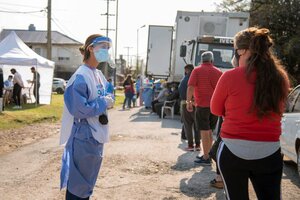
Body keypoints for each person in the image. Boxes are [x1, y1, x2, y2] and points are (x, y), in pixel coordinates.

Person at [211, 27, 290, 199]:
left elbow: (215, 110)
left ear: (243, 51)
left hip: (232, 150)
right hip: (269, 151)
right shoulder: (281, 77)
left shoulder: (230, 76)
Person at [59, 34, 114, 200]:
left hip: (95, 135)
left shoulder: (97, 73)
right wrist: (104, 102)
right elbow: (79, 109)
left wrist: (108, 97)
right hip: (84, 135)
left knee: (87, 184)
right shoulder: (80, 76)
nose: (106, 51)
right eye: (103, 47)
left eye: (108, 48)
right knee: (78, 186)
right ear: (91, 48)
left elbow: (107, 93)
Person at [186, 51, 222, 165]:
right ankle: (208, 154)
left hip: (202, 106)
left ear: (202, 60)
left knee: (204, 132)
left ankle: (206, 157)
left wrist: (188, 102)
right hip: (215, 106)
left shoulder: (196, 70)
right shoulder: (218, 72)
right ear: (212, 60)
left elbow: (191, 87)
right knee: (210, 131)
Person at [179, 64, 200, 151]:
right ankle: (198, 145)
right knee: (197, 125)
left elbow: (181, 92)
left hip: (185, 103)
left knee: (188, 125)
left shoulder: (184, 80)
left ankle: (190, 145)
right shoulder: (196, 78)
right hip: (196, 104)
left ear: (187, 70)